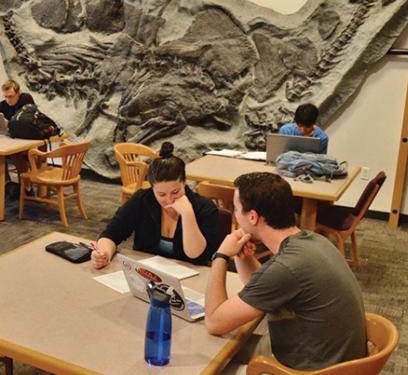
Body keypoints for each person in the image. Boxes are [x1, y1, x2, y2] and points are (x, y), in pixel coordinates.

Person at [204, 172, 366, 372]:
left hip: (312, 369)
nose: (235, 215)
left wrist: (220, 256)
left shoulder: (286, 266)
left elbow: (214, 322)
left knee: (213, 361)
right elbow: (261, 290)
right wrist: (241, 256)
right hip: (337, 361)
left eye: (236, 209)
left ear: (253, 217)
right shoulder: (312, 241)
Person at [91, 142, 221, 268]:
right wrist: (104, 253)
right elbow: (112, 233)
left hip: (193, 277)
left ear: (184, 182)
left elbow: (196, 255)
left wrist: (188, 214)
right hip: (146, 274)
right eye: (161, 194)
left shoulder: (205, 208)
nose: (169, 200)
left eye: (175, 192)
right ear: (152, 188)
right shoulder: (142, 200)